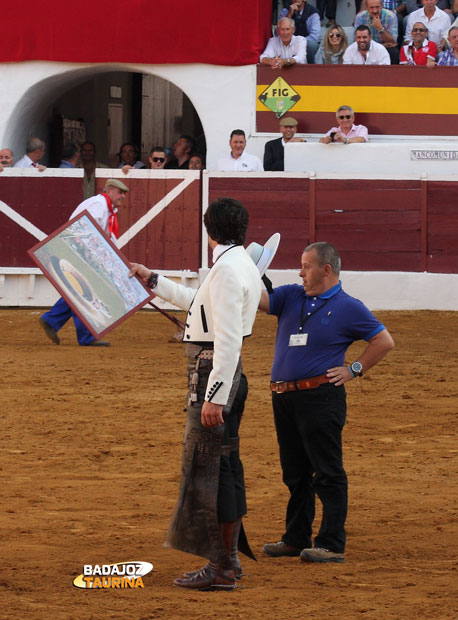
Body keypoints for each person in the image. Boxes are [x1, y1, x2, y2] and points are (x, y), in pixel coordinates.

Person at [129, 197, 262, 591]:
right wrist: (153, 280)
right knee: (227, 469)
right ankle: (230, 559)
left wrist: (214, 395)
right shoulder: (240, 265)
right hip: (228, 373)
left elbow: (226, 338)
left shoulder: (225, 270)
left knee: (209, 473)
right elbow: (198, 305)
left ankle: (219, 566)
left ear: (209, 232)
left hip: (212, 374)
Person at [260, 241, 394, 563]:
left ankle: (332, 543)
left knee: (327, 471)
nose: (300, 272)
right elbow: (261, 301)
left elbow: (383, 340)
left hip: (320, 397)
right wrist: (250, 274)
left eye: (306, 266)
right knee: (295, 473)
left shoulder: (349, 306)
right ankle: (296, 539)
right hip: (284, 396)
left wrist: (353, 369)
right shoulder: (292, 295)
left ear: (326, 269)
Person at [38, 179, 130, 347]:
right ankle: (85, 337)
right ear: (109, 191)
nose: (123, 196)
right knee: (86, 291)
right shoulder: (99, 205)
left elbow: (107, 236)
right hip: (78, 250)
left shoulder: (106, 208)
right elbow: (87, 231)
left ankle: (51, 320)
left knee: (79, 290)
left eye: (124, 193)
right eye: (120, 192)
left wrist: (118, 259)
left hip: (79, 250)